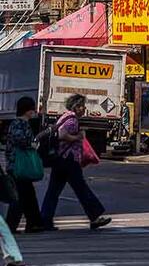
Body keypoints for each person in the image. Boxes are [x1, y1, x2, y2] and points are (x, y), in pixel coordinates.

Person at [40, 94, 111, 231]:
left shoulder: (64, 116)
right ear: (77, 107)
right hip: (69, 160)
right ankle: (95, 217)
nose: (84, 109)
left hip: (61, 160)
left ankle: (46, 219)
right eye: (83, 106)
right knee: (81, 189)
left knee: (53, 191)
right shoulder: (72, 120)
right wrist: (78, 136)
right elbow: (61, 134)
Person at [4, 97, 43, 234]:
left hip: (18, 165)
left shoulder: (22, 123)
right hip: (17, 165)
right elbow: (19, 139)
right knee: (20, 197)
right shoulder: (18, 123)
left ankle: (34, 223)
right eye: (32, 108)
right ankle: (12, 226)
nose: (34, 111)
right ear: (27, 110)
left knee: (28, 195)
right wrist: (32, 144)